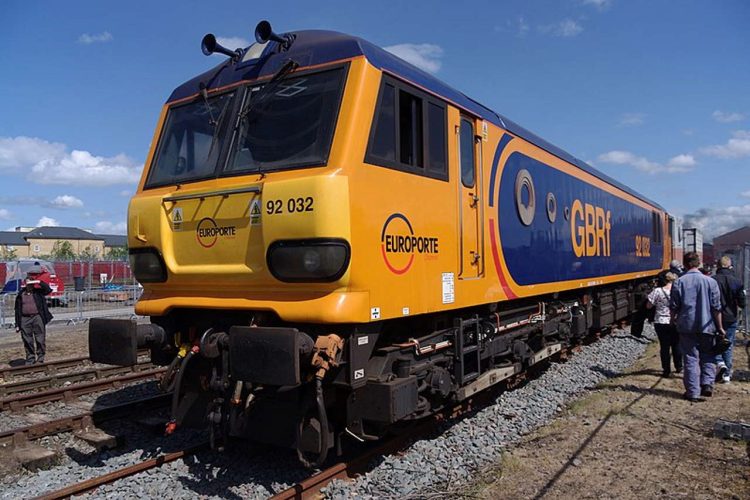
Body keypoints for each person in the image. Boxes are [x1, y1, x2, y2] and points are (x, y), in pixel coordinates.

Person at [669, 252, 723, 402]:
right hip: (708, 325)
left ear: (685, 264)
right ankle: (707, 384)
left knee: (691, 358)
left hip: (686, 325)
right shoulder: (711, 282)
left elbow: (674, 306)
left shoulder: (679, 282)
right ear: (698, 263)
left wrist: (672, 320)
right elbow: (716, 307)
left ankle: (693, 392)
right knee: (708, 355)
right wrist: (720, 327)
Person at [712, 255, 745, 383]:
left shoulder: (712, 280)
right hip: (731, 316)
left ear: (718, 266)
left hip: (714, 316)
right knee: (729, 344)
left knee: (715, 342)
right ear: (730, 266)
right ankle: (727, 373)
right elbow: (742, 303)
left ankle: (719, 363)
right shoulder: (737, 281)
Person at [13, 266, 53, 365]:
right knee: (27, 340)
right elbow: (17, 310)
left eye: (31, 283)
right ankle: (30, 359)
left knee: (40, 339)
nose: (29, 285)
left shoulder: (38, 293)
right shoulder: (20, 295)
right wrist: (17, 324)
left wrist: (38, 282)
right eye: (27, 283)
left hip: (37, 317)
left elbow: (48, 290)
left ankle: (40, 358)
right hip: (24, 318)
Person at [647, 272, 682, 377]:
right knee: (676, 345)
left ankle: (666, 370)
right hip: (675, 321)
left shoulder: (657, 291)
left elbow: (649, 306)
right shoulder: (678, 291)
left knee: (664, 346)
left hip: (661, 321)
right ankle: (679, 366)